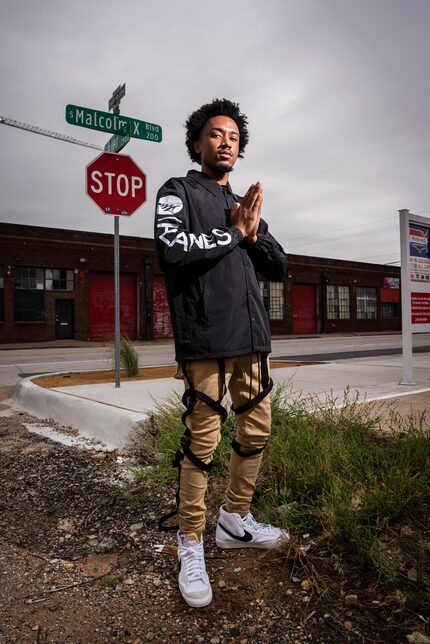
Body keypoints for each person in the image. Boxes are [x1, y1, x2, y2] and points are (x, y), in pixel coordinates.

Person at [154, 98, 289, 608]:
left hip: (251, 338)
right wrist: (234, 231)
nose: (226, 141)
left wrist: (253, 232)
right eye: (216, 133)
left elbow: (278, 267)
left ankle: (235, 520)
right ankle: (191, 540)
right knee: (203, 442)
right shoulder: (178, 192)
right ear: (197, 143)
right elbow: (172, 251)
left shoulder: (244, 208)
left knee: (256, 429)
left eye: (233, 135)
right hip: (205, 337)